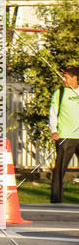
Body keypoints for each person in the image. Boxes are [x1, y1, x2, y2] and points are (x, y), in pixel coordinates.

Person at [49, 64, 79, 203]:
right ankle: (56, 200)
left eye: (66, 77)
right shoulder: (59, 93)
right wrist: (53, 130)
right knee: (59, 170)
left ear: (75, 78)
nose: (64, 80)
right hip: (65, 137)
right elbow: (53, 113)